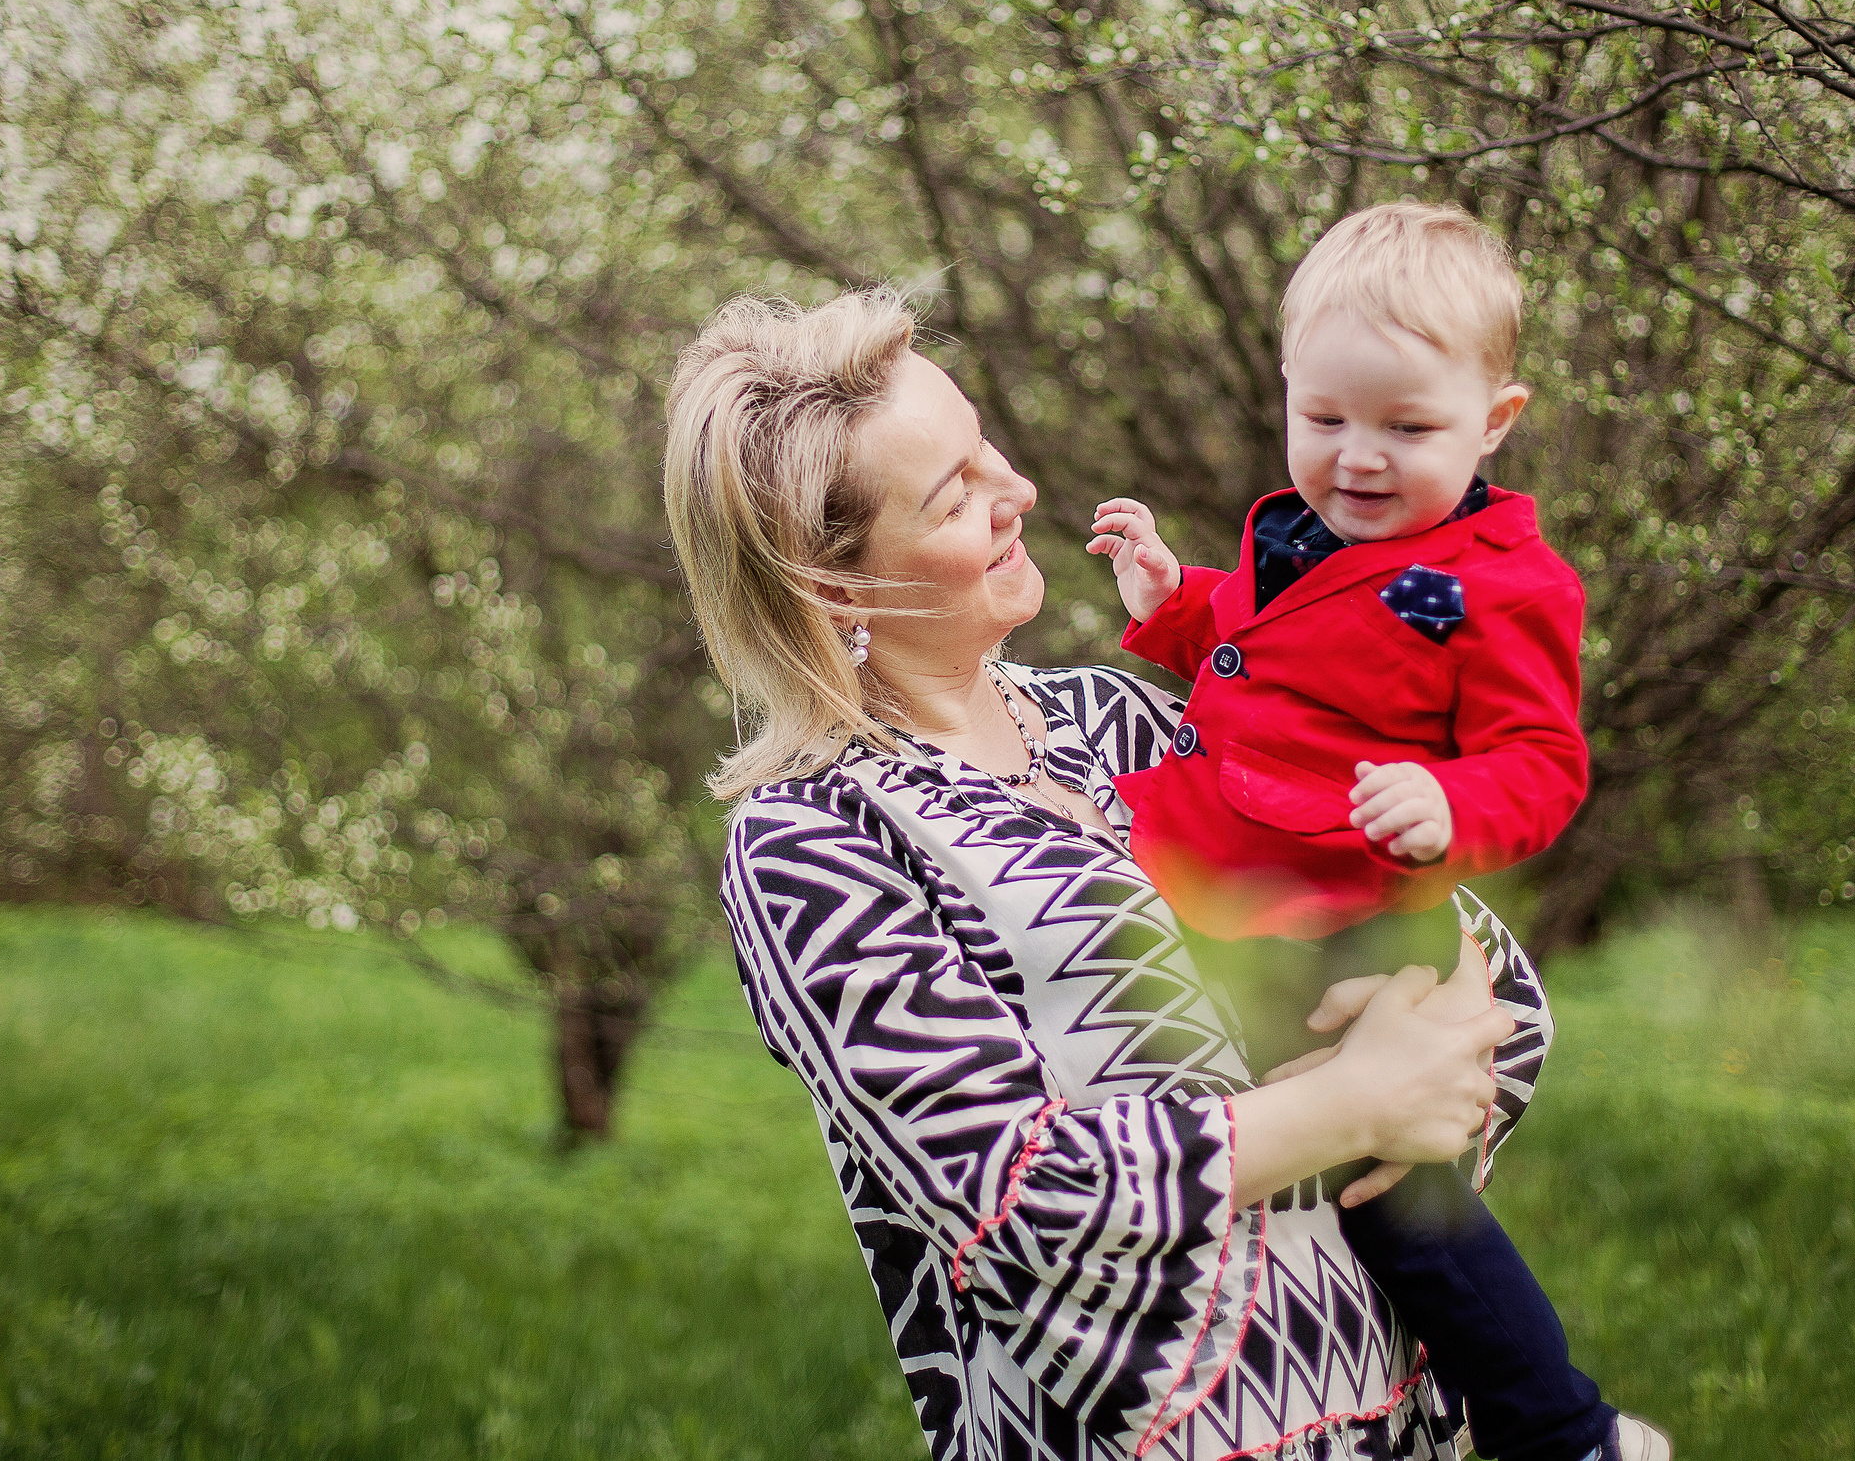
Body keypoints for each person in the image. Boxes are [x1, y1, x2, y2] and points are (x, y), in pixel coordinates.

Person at [663, 288, 1532, 1461]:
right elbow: (1017, 1198)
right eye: (954, 495)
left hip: (1395, 1419)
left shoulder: (1118, 719)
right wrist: (1355, 1103)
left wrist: (1451, 1014)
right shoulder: (814, 842)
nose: (1017, 491)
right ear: (838, 586)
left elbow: (1440, 929)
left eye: (986, 449)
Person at [1087, 202, 1666, 1461]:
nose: (1357, 458)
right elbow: (1266, 649)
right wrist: (1173, 600)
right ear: (1288, 389)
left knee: (1401, 1202)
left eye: (1407, 428)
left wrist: (1452, 805)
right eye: (1325, 418)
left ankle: (1565, 1432)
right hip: (1229, 863)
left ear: (1493, 420)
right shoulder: (1308, 532)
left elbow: (1542, 763)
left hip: (1342, 915)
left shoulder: (1501, 586)